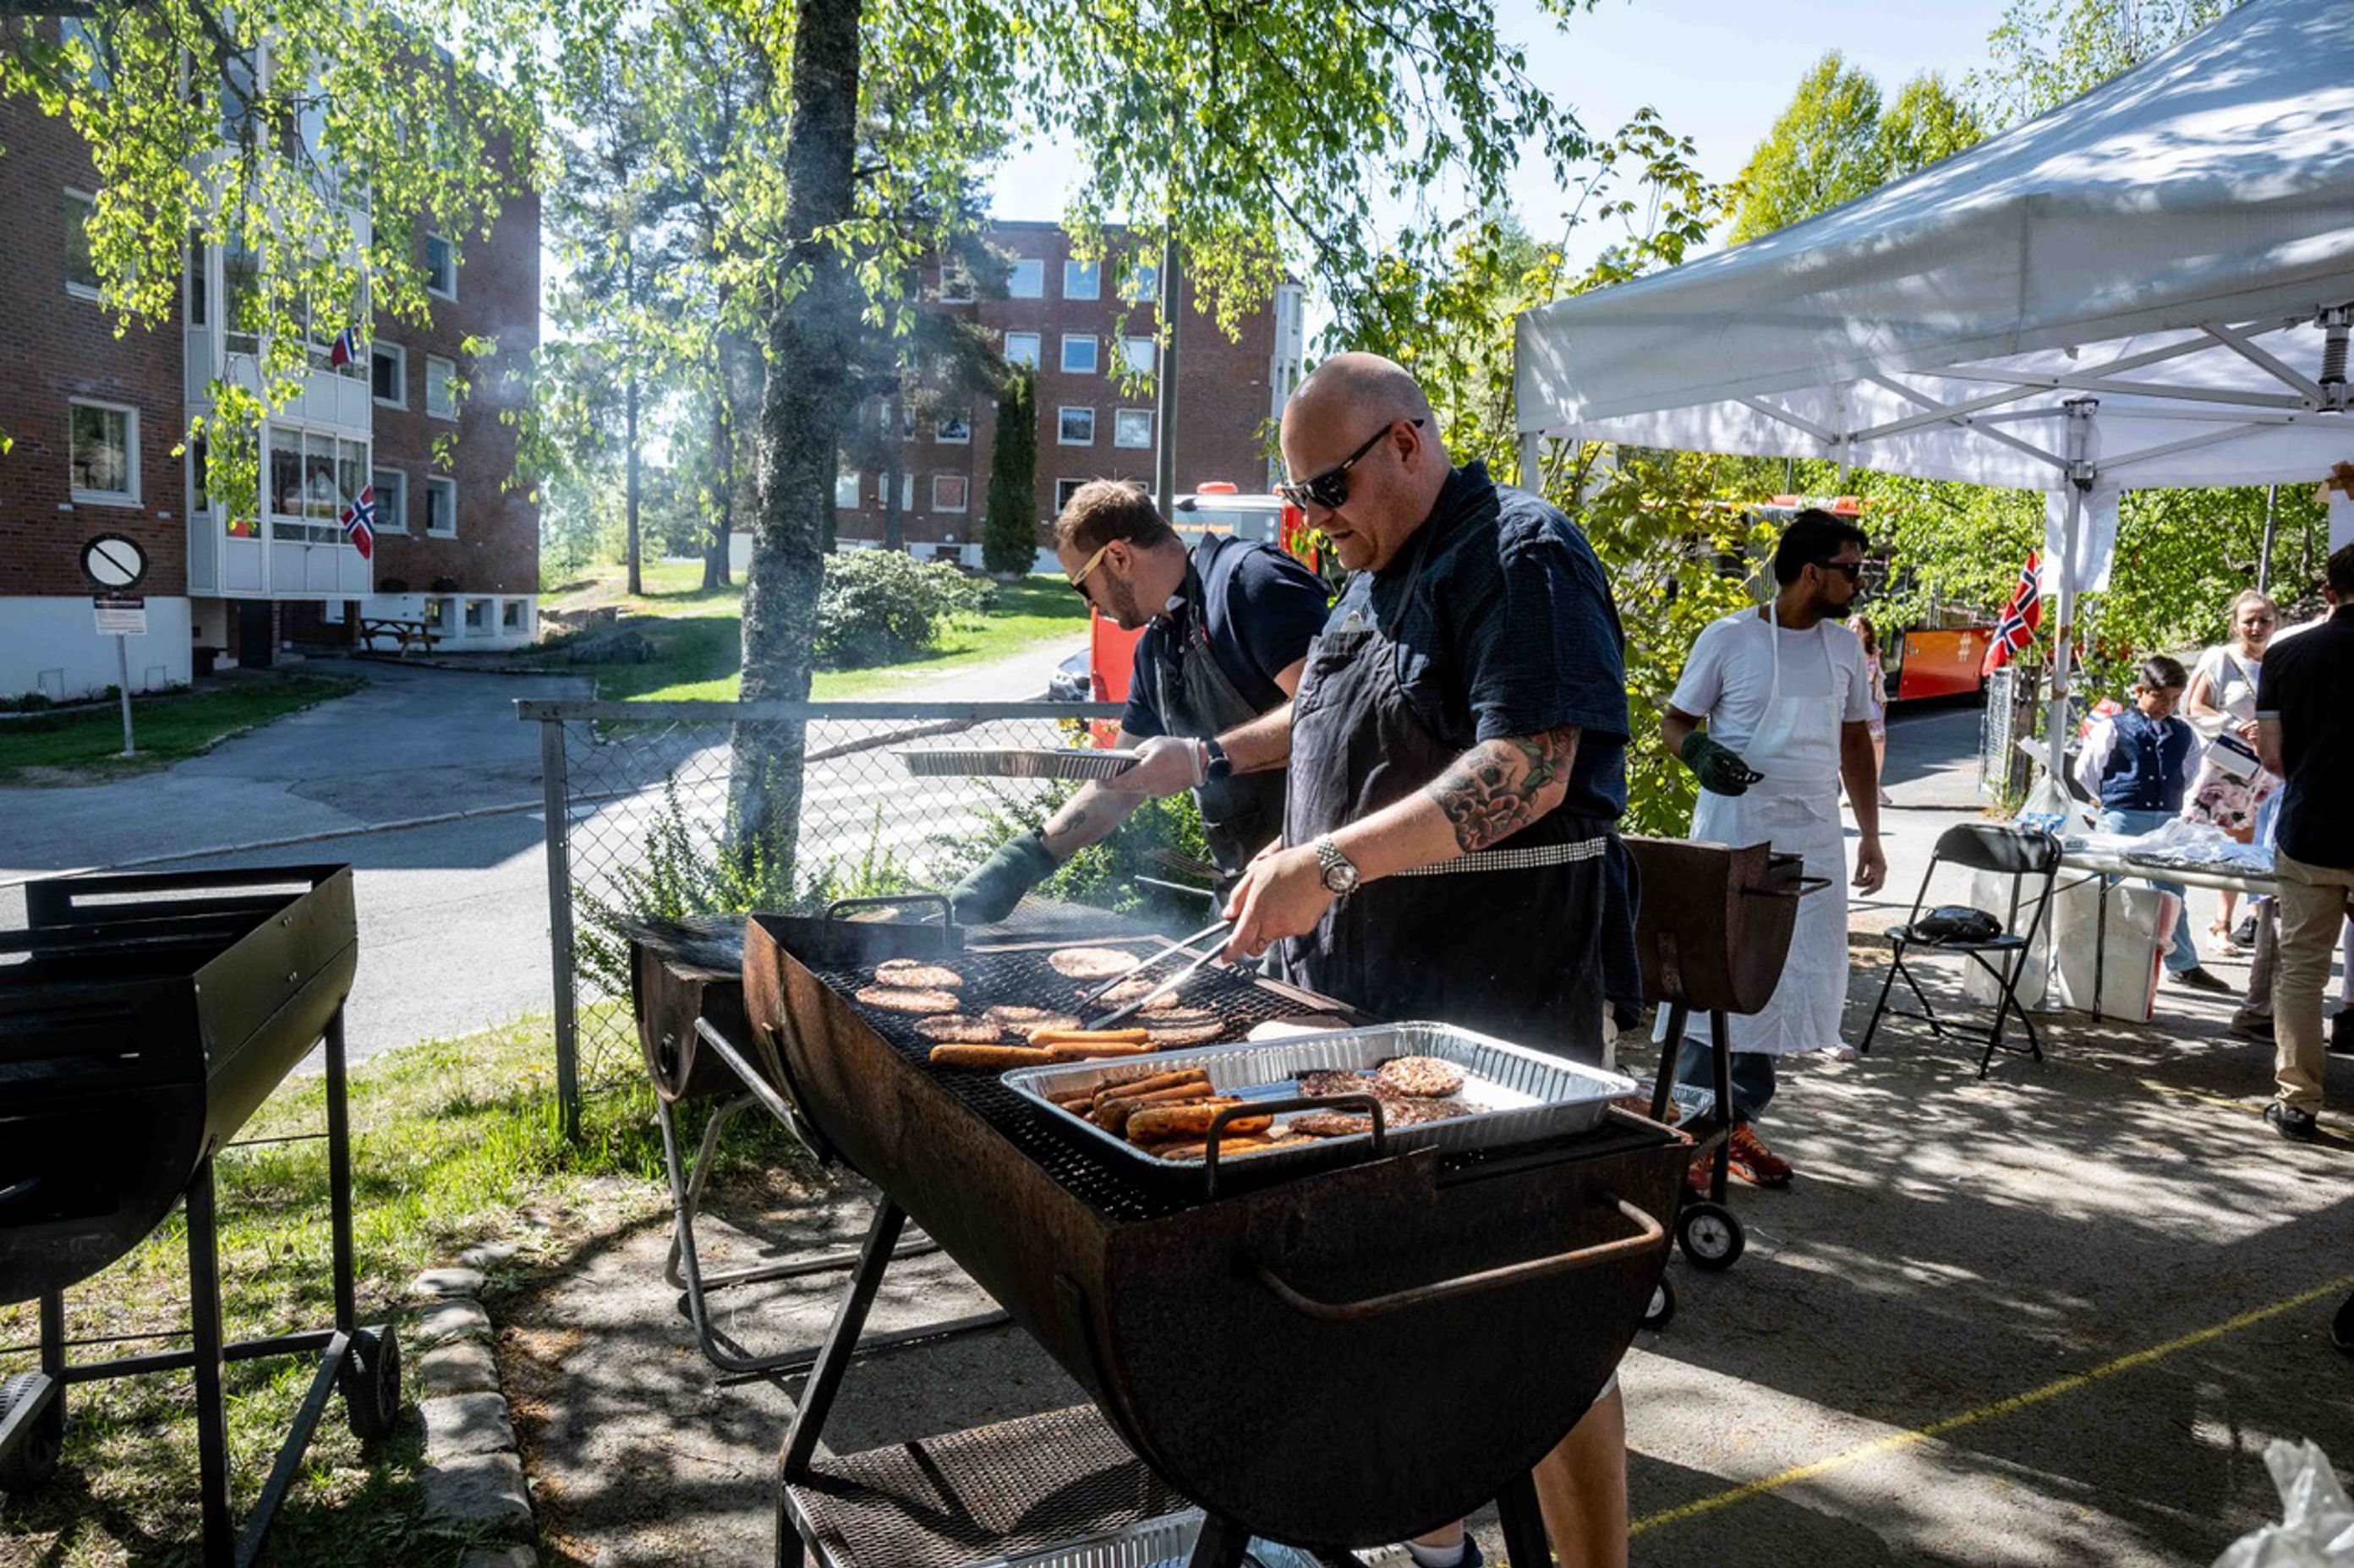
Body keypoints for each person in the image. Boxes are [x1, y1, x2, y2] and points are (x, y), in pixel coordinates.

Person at [1218, 352, 1639, 1568]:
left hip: (1504, 1006)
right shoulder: (1363, 581)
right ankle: (1436, 1538)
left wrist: (1330, 862)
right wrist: (1213, 764)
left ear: (1407, 440)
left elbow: (1532, 768)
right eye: (1298, 496)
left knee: (1543, 1321)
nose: (1314, 518)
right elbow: (1322, 721)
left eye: (1329, 486)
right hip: (1373, 1000)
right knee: (1397, 1297)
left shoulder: (1522, 553)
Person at [949, 480, 1330, 922]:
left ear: (1118, 556)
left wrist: (1204, 758)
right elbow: (1117, 784)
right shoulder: (1156, 650)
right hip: (1242, 892)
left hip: (1319, 883)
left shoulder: (1249, 583)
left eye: (1081, 586)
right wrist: (1020, 863)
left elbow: (1333, 715)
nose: (1088, 604)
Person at [1657, 510, 1888, 1186]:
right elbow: (1675, 723)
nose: (1859, 581)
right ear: (1812, 571)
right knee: (1719, 970)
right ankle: (1687, 1130)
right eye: (1851, 568)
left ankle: (1733, 1124)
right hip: (1737, 824)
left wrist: (1870, 833)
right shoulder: (1728, 637)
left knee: (1780, 978)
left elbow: (1853, 744)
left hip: (1813, 828)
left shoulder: (1845, 647)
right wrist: (1698, 752)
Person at [2253, 544, 2354, 1140]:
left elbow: (2271, 755)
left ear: (2328, 591)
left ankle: (2298, 1101)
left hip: (2312, 828)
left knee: (2302, 971)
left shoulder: (2287, 652)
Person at [2072, 656, 2232, 994]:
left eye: (2175, 699)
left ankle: (2183, 963)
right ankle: (2089, 951)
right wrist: (2112, 799)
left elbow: (2189, 773)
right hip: (2122, 817)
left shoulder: (2183, 733)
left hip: (2166, 819)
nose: (2167, 706)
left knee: (2171, 893)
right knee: (2105, 884)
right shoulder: (2114, 727)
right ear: (2140, 691)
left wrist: (2169, 800)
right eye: (2160, 697)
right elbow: (2087, 771)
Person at [2184, 590, 2280, 953]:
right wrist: (2235, 725)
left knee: (2261, 845)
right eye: (2249, 620)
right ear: (2236, 624)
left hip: (2271, 767)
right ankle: (2219, 923)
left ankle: (2256, 920)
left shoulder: (2283, 659)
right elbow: (2196, 705)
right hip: (2231, 767)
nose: (2256, 627)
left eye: (2264, 620)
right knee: (2232, 844)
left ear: (2276, 622)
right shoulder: (2221, 659)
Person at [1855, 617, 1893, 806]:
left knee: (1879, 742)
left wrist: (1882, 702)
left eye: (1858, 628)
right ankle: (1847, 790)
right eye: (1851, 627)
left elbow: (1879, 679)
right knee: (1845, 746)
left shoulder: (1874, 653)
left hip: (1871, 702)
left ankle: (1875, 786)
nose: (1854, 631)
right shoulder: (1843, 651)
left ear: (1866, 632)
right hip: (1849, 704)